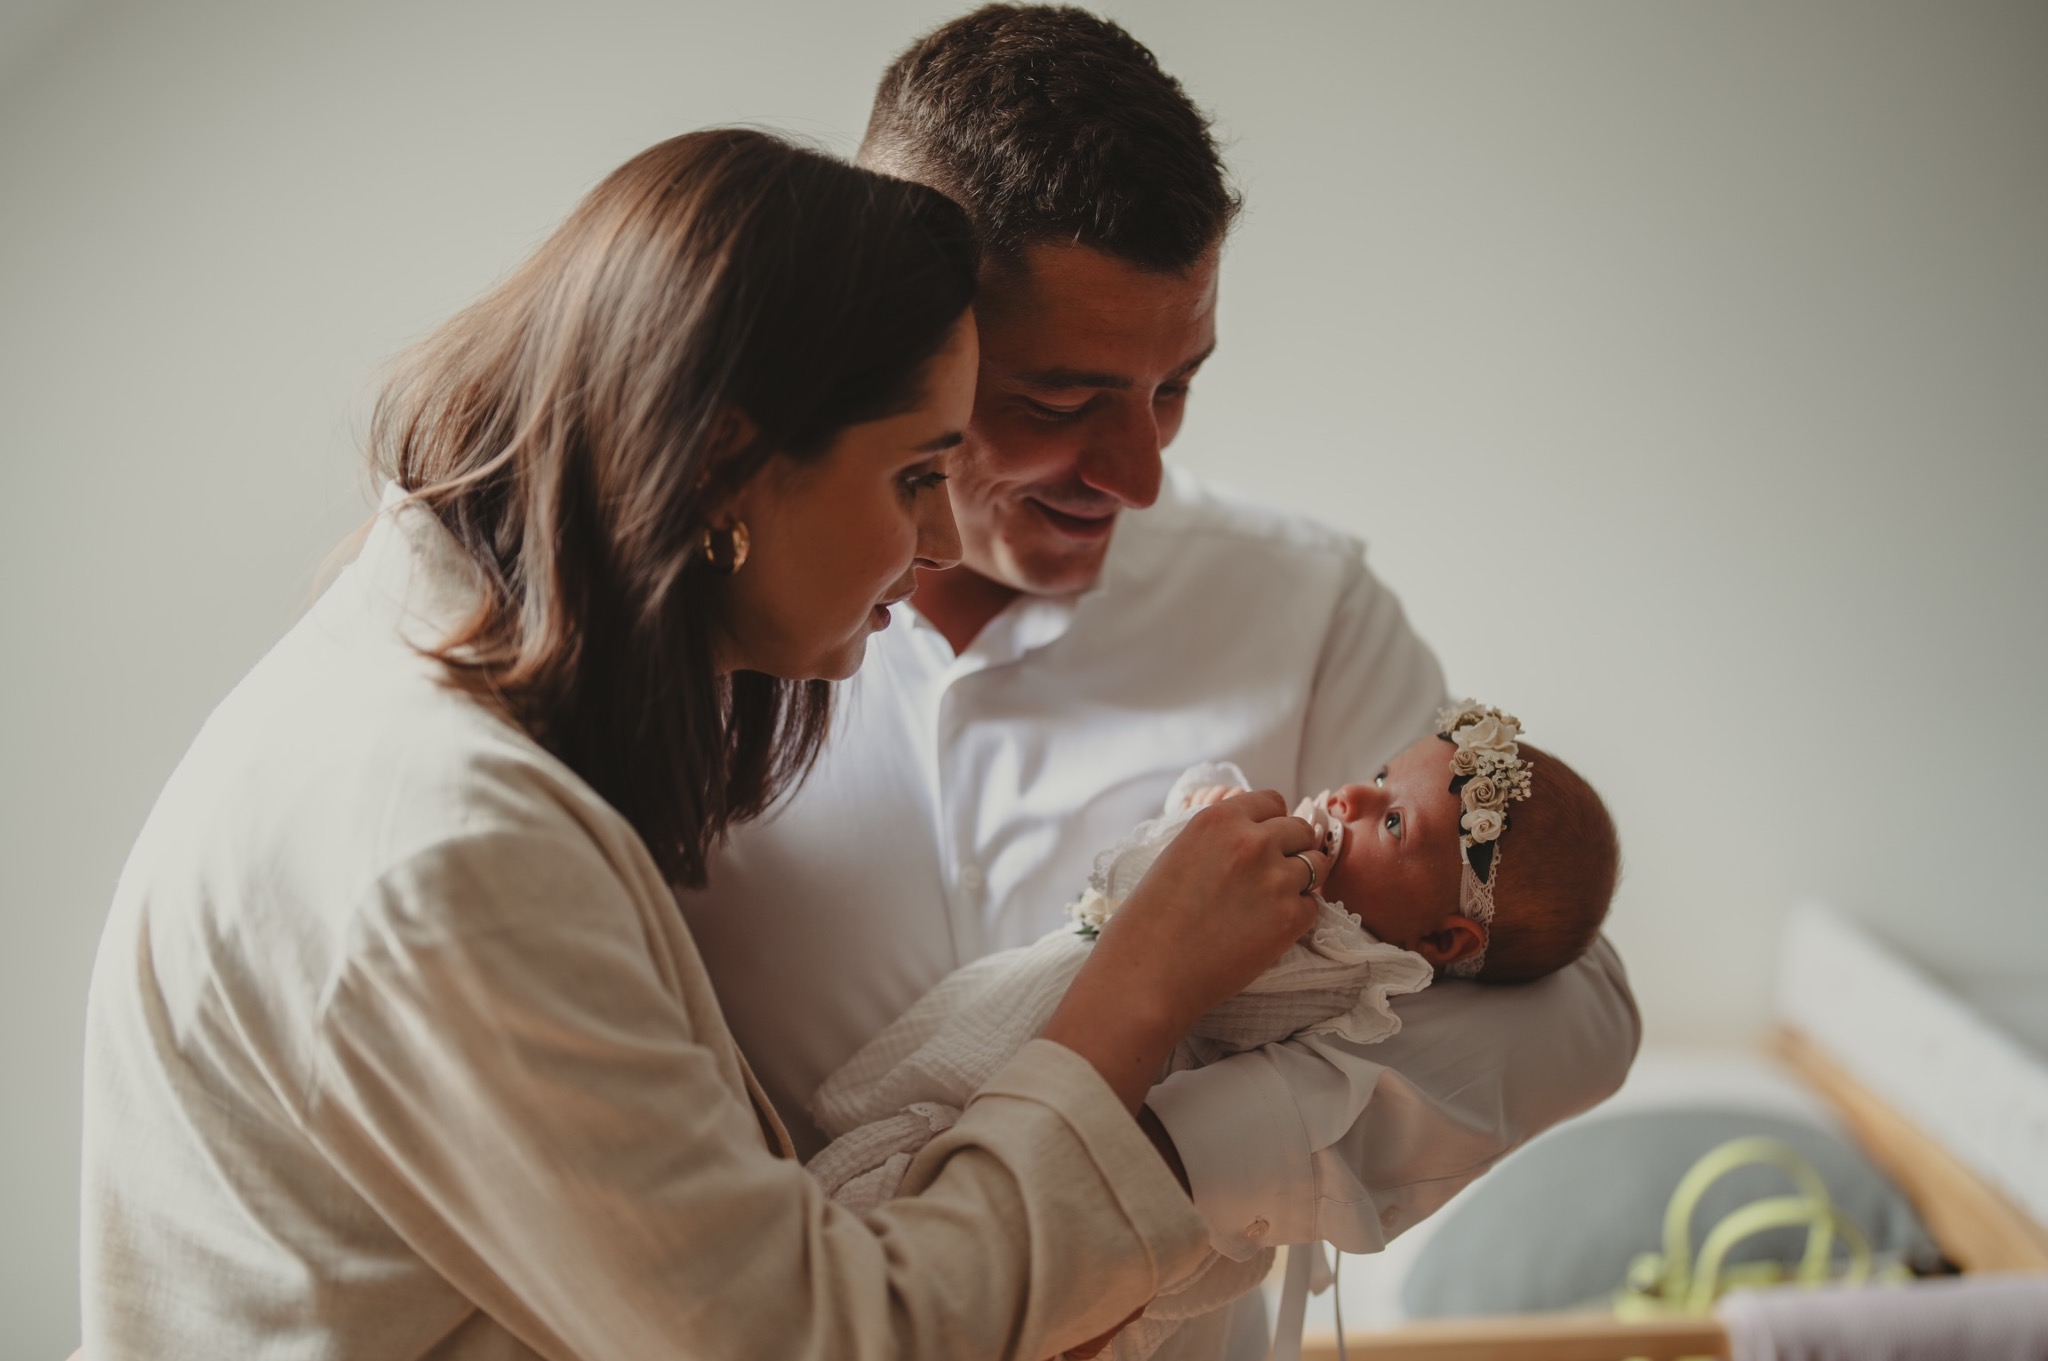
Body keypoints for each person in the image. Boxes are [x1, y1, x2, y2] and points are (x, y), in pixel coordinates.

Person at [77, 129, 1336, 1361]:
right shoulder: (450, 848)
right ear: (730, 460)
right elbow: (821, 1340)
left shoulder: (442, 711)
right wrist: (1132, 994)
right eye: (913, 474)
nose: (942, 540)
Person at [677, 10, 1642, 1357]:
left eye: (1174, 387)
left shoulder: (1302, 606)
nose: (1134, 474)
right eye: (1060, 400)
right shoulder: (691, 628)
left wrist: (1146, 1170)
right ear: (906, 337)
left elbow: (1577, 1012)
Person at [801, 703, 1623, 1360]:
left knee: (886, 1241)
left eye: (1394, 823)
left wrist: (1178, 1156)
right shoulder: (1324, 902)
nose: (1352, 797)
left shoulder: (1350, 967)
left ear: (1444, 943)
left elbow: (1592, 1012)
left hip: (1071, 1130)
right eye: (1377, 775)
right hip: (1016, 1068)